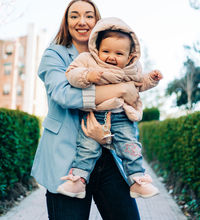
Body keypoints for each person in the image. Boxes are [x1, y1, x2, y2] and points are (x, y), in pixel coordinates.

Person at [31, 0, 142, 220]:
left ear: (97, 21)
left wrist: (107, 135)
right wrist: (121, 89)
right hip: (66, 160)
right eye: (75, 16)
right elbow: (64, 95)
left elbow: (128, 104)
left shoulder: (110, 53)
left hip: (108, 156)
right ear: (67, 22)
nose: (82, 21)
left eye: (89, 16)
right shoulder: (54, 55)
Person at [56, 17, 163, 200]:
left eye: (119, 54)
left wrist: (151, 79)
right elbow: (71, 74)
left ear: (130, 56)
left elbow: (139, 84)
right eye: (106, 51)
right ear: (97, 49)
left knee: (130, 146)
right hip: (95, 114)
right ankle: (78, 181)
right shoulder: (88, 60)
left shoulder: (133, 69)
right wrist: (88, 75)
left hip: (122, 116)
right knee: (87, 148)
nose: (111, 57)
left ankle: (138, 181)